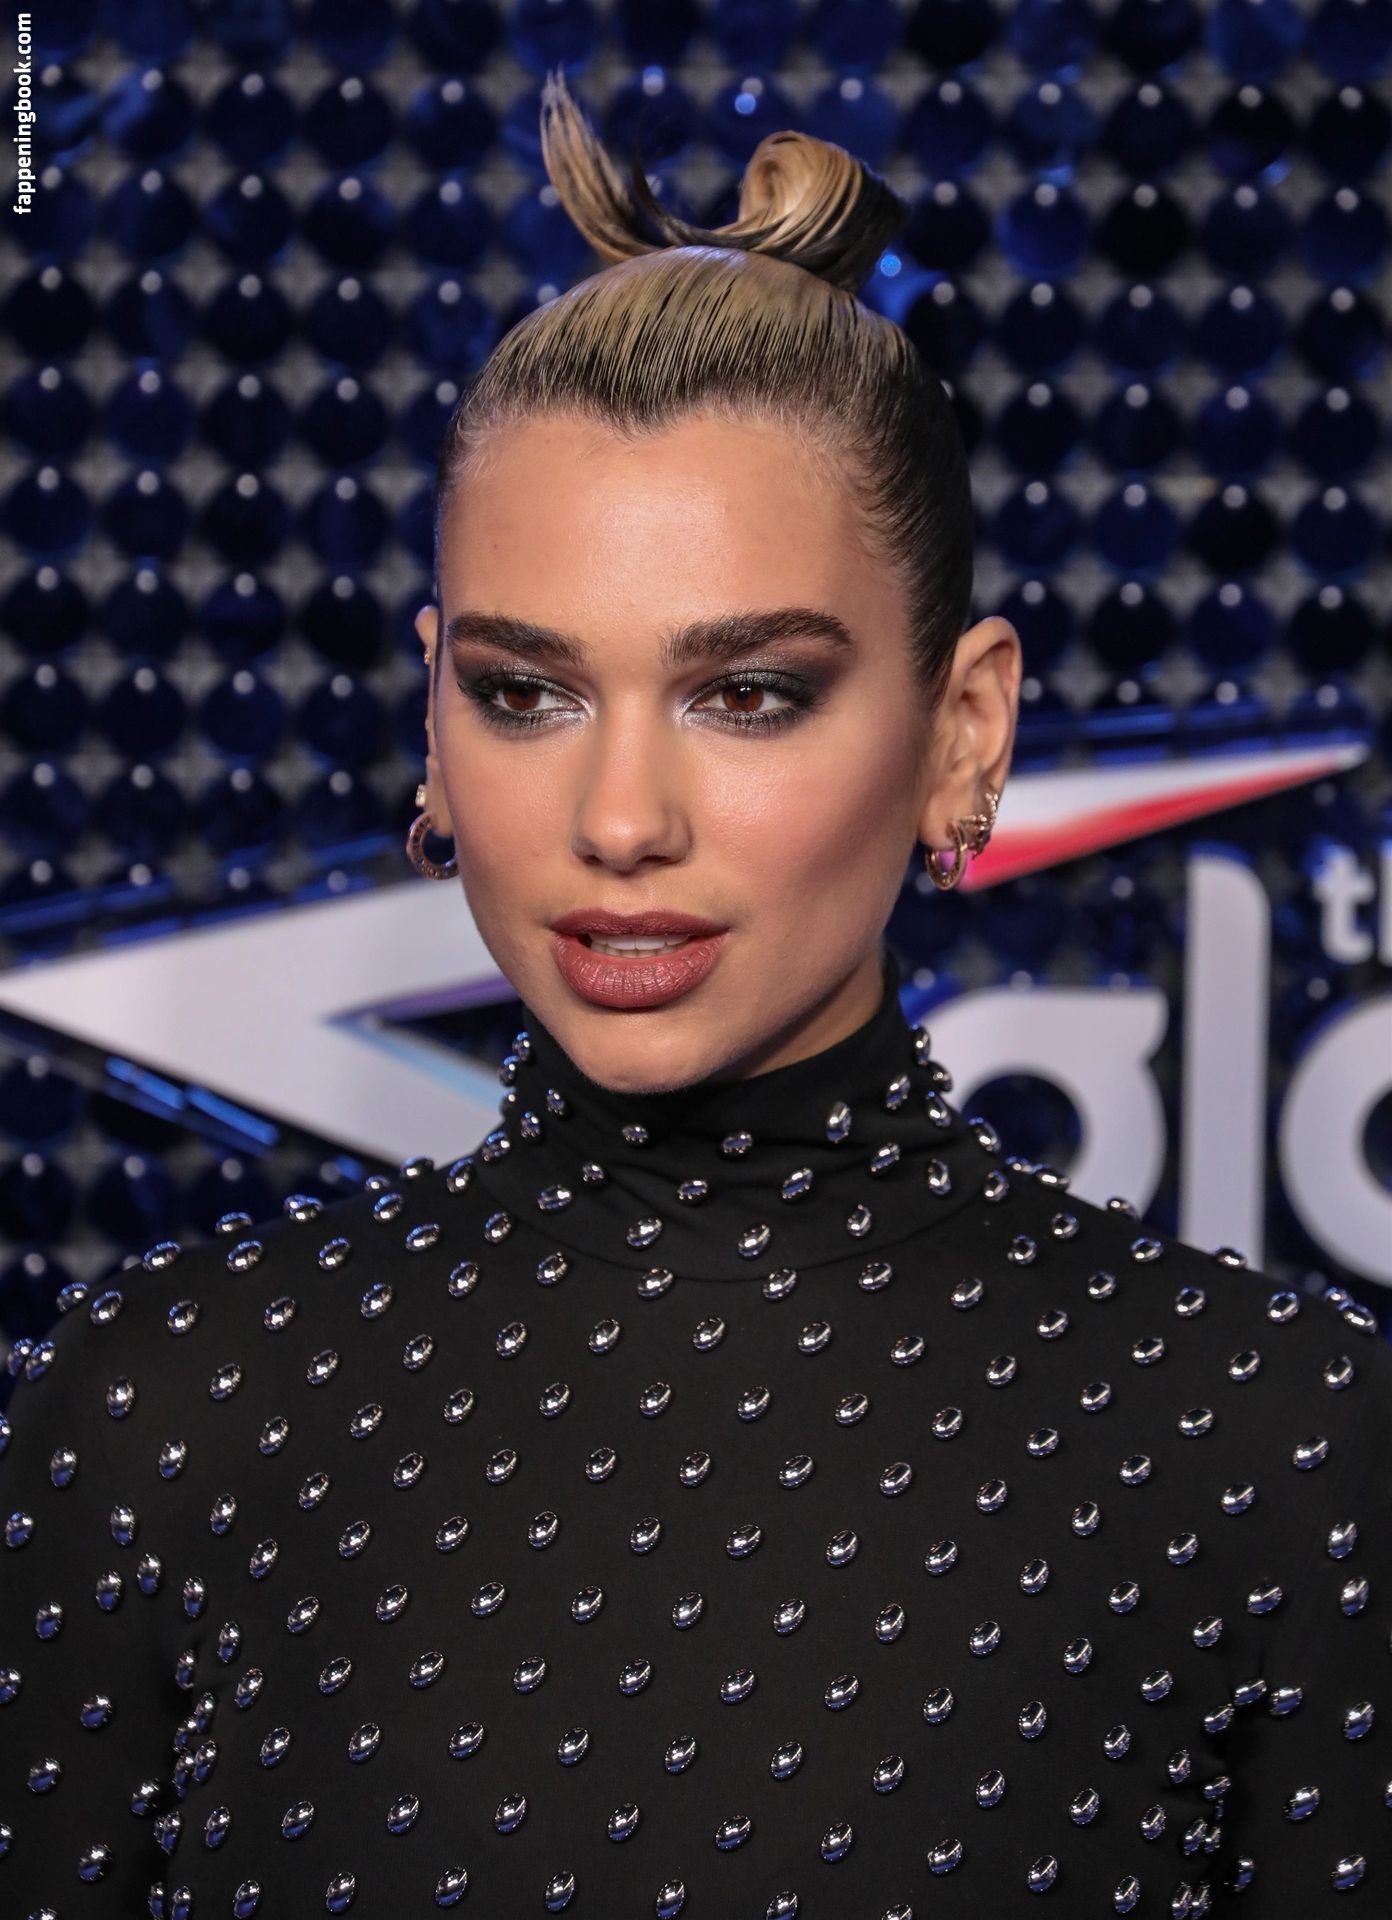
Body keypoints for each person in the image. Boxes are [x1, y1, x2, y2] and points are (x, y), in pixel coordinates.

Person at [2, 68, 1387, 1920]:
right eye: (526, 692)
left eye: (747, 694)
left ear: (965, 730)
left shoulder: (1277, 1437)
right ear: (433, 709)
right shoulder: (165, 1409)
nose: (620, 819)